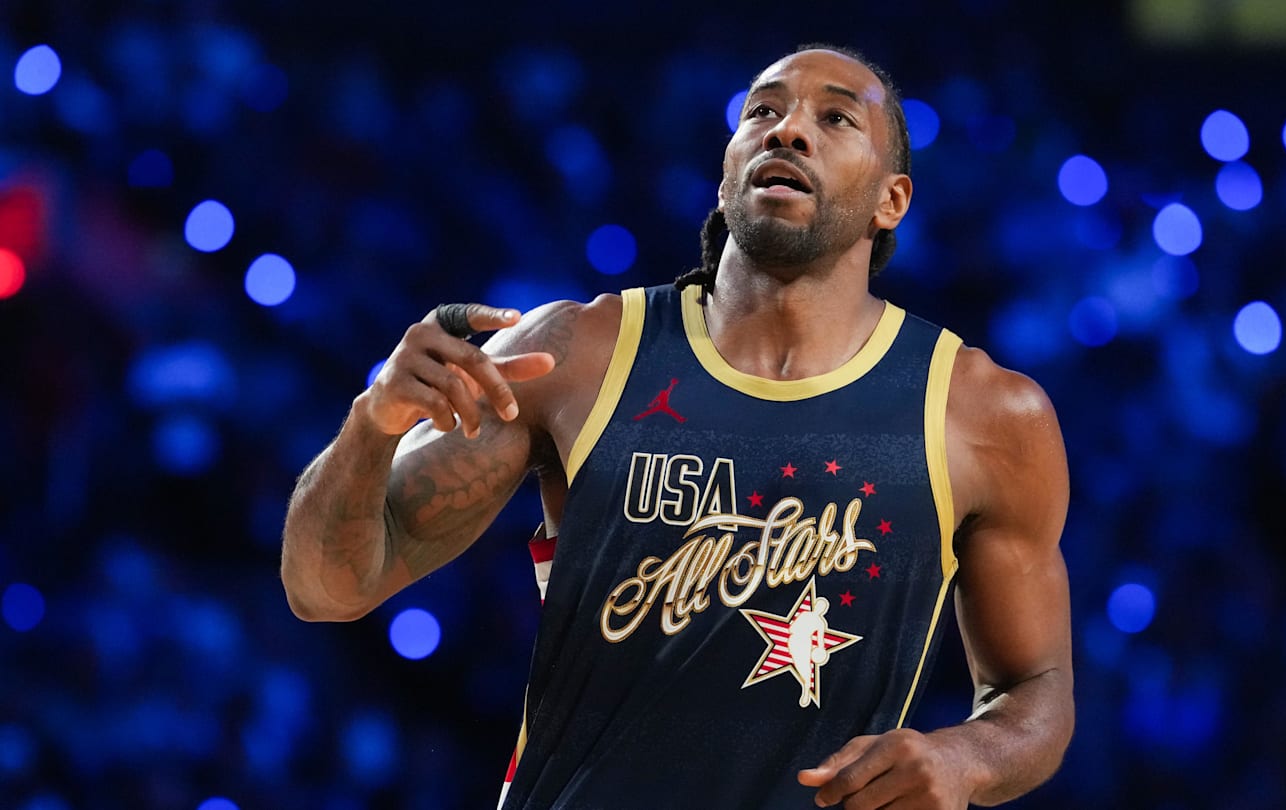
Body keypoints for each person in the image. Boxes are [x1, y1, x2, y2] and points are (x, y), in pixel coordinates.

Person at [281, 43, 1074, 809]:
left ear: (890, 201)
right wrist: (371, 425)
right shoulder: (573, 355)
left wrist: (967, 758)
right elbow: (325, 589)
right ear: (726, 178)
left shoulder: (983, 414)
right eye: (762, 111)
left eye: (835, 118)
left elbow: (1036, 690)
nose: (788, 129)